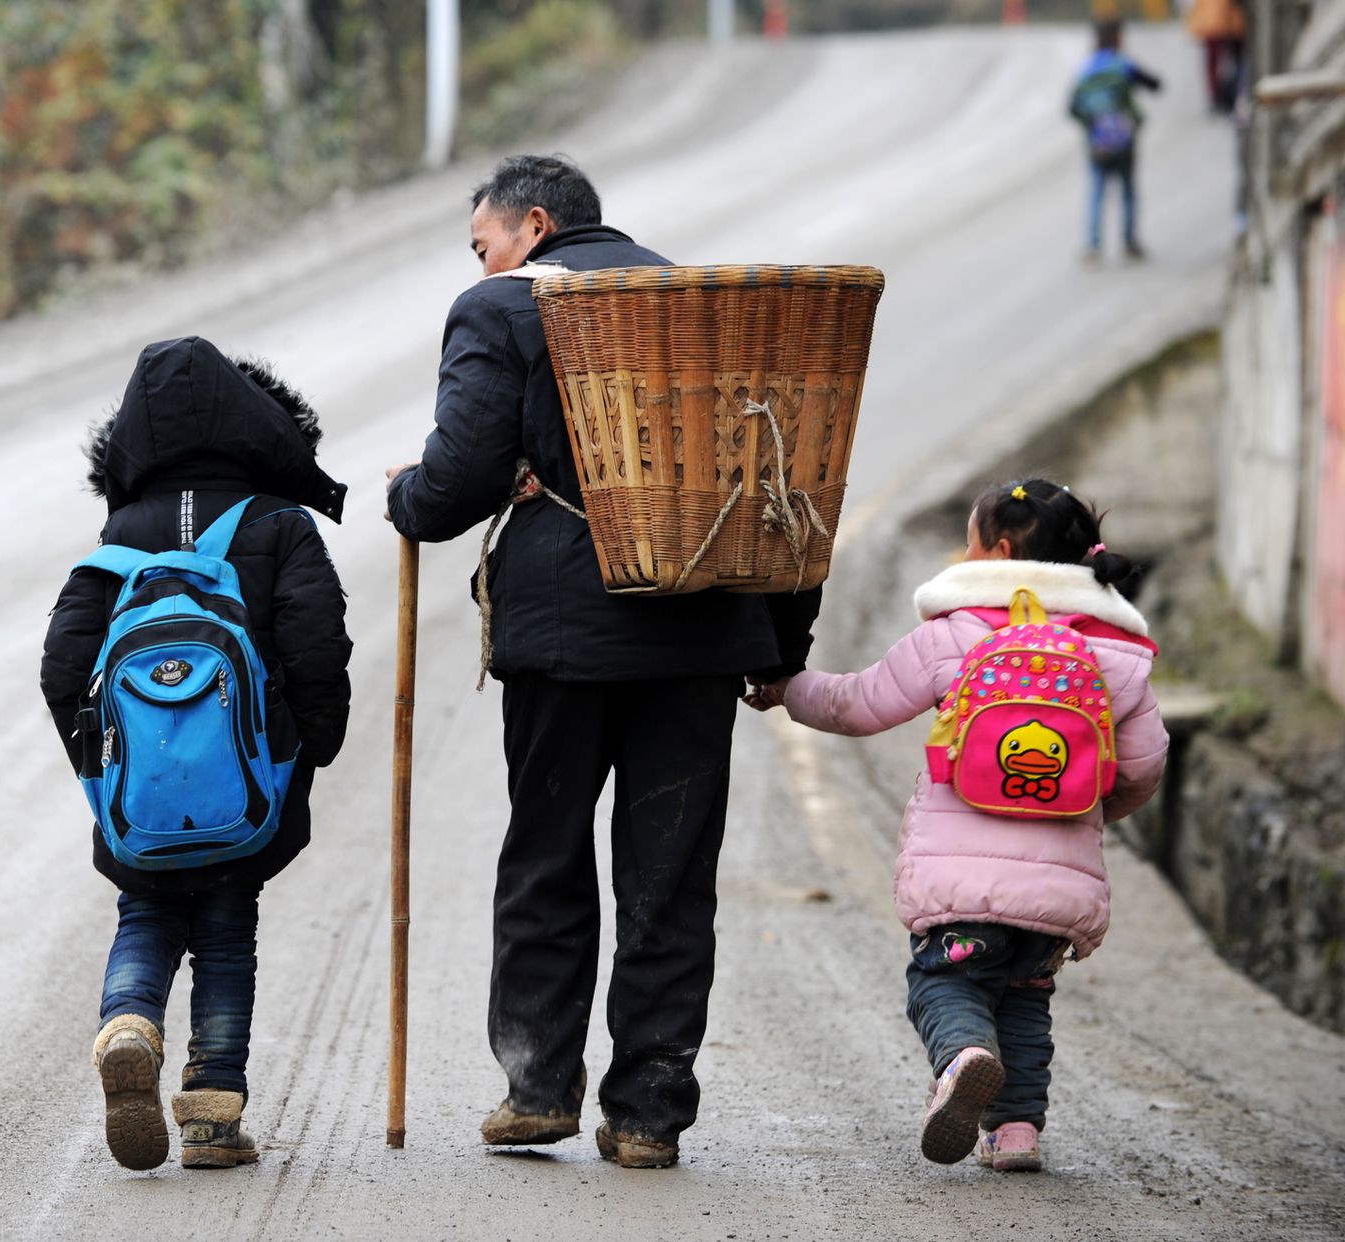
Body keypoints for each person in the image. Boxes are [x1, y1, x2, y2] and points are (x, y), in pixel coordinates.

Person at [384, 154, 822, 1169]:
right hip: (705, 631)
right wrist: (781, 641)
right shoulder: (704, 307)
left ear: (533, 224)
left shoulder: (501, 311)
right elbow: (790, 477)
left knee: (546, 853)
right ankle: (648, 1112)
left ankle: (538, 1089)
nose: (480, 258)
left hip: (563, 638)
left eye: (482, 239)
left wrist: (411, 494)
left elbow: (459, 480)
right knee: (669, 875)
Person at [746, 479, 1169, 1172]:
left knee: (947, 984)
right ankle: (1016, 1136)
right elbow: (1145, 766)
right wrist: (1089, 810)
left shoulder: (960, 633)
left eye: (969, 543)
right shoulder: (1117, 654)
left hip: (959, 883)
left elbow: (858, 704)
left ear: (999, 552)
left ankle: (963, 1058)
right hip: (1058, 896)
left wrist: (787, 690)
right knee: (1027, 1001)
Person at [40, 336, 353, 1171]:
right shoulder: (279, 525)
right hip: (248, 791)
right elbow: (317, 645)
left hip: (138, 795)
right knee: (225, 931)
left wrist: (101, 770)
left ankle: (129, 1025)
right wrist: (305, 752)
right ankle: (213, 1113)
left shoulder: (119, 534)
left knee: (145, 911)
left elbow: (63, 667)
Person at [1070, 19, 1163, 262]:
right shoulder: (1123, 64)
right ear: (1118, 38)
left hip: (1096, 143)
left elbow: (1071, 108)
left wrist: (1092, 126)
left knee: (1097, 192)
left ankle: (1093, 245)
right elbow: (1156, 84)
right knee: (1128, 191)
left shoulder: (1085, 68)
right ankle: (1130, 243)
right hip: (1124, 140)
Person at [1184, 0, 1247, 114]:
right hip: (1216, 17)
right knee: (1217, 60)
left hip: (1225, 17)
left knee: (1228, 59)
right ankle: (1221, 97)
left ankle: (1230, 95)